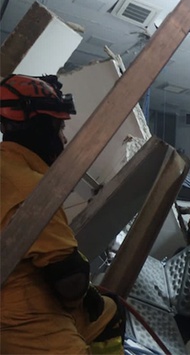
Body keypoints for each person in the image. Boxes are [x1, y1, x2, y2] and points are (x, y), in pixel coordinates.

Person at [0, 74, 125, 353]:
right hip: (18, 318)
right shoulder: (32, 190)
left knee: (106, 311)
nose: (63, 138)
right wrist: (81, 297)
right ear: (40, 130)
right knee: (108, 313)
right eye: (58, 128)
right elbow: (70, 279)